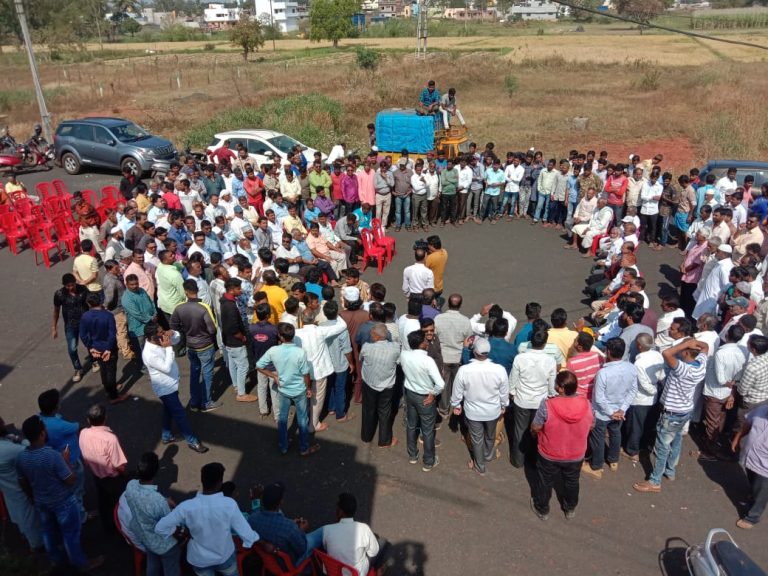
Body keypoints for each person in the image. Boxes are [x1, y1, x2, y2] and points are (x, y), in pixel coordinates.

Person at [16, 415, 102, 571]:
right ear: (42, 434)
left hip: (41, 502)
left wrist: (32, 496)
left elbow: (22, 481)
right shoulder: (53, 456)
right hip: (63, 502)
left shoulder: (22, 457)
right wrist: (66, 460)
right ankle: (81, 563)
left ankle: (56, 560)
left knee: (48, 533)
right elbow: (70, 480)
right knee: (71, 535)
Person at [155, 462, 260, 576]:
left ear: (202, 480)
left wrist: (181, 531)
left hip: (199, 560)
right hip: (225, 556)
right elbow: (248, 535)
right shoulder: (229, 504)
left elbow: (160, 527)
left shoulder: (186, 507)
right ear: (220, 483)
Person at [634, 335, 709, 493]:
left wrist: (687, 343)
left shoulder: (683, 369)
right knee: (677, 440)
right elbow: (706, 347)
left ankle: (655, 481)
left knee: (662, 447)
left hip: (672, 413)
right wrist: (693, 344)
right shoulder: (701, 364)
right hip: (685, 410)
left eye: (683, 349)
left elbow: (667, 353)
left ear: (687, 352)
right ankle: (670, 470)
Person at [530, 370, 594, 521]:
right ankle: (570, 508)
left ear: (560, 388)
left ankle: (542, 508)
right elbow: (591, 425)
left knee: (545, 481)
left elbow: (536, 426)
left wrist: (535, 433)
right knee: (572, 481)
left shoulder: (548, 404)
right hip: (576, 454)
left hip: (549, 453)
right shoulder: (587, 404)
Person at [142, 322, 209, 453]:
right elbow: (166, 367)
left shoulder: (161, 338)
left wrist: (173, 333)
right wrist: (168, 348)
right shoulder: (149, 354)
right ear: (152, 337)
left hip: (172, 383)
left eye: (162, 331)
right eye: (161, 332)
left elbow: (177, 339)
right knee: (180, 414)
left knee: (168, 410)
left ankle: (166, 436)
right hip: (165, 388)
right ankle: (192, 441)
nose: (163, 334)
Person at [256, 323, 320, 456]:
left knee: (282, 418)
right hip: (299, 390)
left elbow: (259, 366)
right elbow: (305, 374)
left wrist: (273, 375)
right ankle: (304, 448)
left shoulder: (273, 351)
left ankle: (284, 446)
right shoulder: (300, 352)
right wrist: (308, 388)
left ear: (280, 336)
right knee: (303, 419)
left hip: (283, 390)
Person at [451, 338, 509, 474]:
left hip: (473, 412)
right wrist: (503, 405)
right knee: (490, 435)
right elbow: (504, 391)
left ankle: (480, 466)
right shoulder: (499, 370)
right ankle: (488, 454)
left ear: (474, 352)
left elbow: (457, 391)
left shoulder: (464, 370)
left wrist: (456, 405)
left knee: (477, 440)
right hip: (492, 411)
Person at [583, 338, 638, 479]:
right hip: (620, 412)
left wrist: (611, 412)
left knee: (598, 438)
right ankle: (613, 460)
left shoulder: (603, 373)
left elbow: (599, 398)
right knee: (615, 433)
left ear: (607, 352)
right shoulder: (631, 368)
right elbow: (633, 391)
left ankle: (596, 465)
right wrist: (621, 410)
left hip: (603, 413)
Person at [122, 452, 182, 576]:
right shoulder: (158, 501)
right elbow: (170, 529)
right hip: (163, 544)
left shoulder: (130, 485)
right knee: (171, 564)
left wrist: (165, 501)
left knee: (152, 561)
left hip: (142, 534)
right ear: (155, 473)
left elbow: (142, 502)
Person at [508, 329, 557, 468]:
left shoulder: (520, 358)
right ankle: (534, 460)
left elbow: (513, 380)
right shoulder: (550, 361)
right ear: (545, 343)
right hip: (540, 402)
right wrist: (550, 397)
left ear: (531, 342)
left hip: (521, 400)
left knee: (520, 431)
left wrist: (512, 393)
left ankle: (518, 461)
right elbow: (552, 387)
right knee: (538, 431)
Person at [170, 280, 221, 411]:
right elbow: (213, 329)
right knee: (207, 373)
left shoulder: (179, 307)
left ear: (185, 291)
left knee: (194, 372)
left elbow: (174, 326)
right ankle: (207, 402)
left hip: (190, 346)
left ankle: (194, 402)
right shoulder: (204, 307)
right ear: (197, 290)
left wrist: (185, 333)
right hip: (205, 345)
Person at [699, 324, 747, 459]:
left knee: (712, 423)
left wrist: (728, 383)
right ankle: (714, 443)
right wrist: (732, 390)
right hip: (728, 393)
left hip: (714, 392)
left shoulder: (721, 353)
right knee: (720, 419)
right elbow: (738, 377)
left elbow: (721, 379)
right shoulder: (742, 352)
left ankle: (710, 451)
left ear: (727, 336)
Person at [78, 404, 128, 534]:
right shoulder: (110, 439)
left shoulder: (83, 433)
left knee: (103, 501)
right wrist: (124, 474)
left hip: (96, 475)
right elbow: (119, 465)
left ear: (89, 420)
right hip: (112, 478)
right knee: (121, 502)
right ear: (105, 418)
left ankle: (108, 526)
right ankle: (123, 527)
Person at [401, 330, 445, 472]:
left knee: (411, 425)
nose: (427, 342)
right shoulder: (427, 361)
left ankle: (413, 455)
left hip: (410, 394)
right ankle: (428, 461)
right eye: (425, 340)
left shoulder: (404, 355)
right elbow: (441, 384)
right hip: (425, 397)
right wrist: (433, 393)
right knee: (427, 430)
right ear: (421, 344)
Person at [0, 417, 42, 551]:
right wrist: (20, 439)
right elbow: (31, 448)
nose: (4, 423)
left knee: (18, 514)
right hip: (21, 489)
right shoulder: (8, 450)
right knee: (30, 519)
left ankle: (29, 537)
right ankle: (38, 546)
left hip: (7, 488)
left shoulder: (5, 444)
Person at [322, 493, 388, 576]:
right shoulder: (364, 528)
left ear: (340, 512)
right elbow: (373, 552)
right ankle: (377, 572)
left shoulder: (327, 529)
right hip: (356, 573)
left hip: (332, 572)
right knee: (382, 542)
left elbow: (325, 547)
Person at [80, 292, 129, 404]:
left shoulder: (85, 316)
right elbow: (112, 334)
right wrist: (108, 349)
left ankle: (108, 389)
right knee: (111, 371)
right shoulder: (108, 315)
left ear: (88, 303)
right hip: (109, 347)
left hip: (96, 348)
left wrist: (91, 348)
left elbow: (83, 335)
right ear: (100, 302)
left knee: (103, 368)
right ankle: (113, 396)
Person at [247, 483, 311, 566]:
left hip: (267, 561)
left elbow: (255, 511)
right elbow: (302, 549)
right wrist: (301, 531)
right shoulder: (290, 527)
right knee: (321, 533)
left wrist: (255, 499)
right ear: (281, 501)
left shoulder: (252, 519)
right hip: (285, 563)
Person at [623, 333, 664, 462]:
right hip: (654, 398)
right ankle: (645, 446)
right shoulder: (658, 355)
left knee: (636, 426)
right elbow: (662, 375)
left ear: (639, 345)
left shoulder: (639, 363)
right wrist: (656, 390)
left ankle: (632, 450)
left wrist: (653, 390)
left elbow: (643, 383)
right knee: (648, 424)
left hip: (640, 399)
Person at [360, 323, 401, 448]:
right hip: (387, 385)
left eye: (372, 333)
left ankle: (366, 436)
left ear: (377, 336)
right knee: (385, 412)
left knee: (368, 410)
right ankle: (384, 440)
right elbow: (398, 362)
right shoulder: (395, 348)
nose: (370, 335)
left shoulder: (366, 347)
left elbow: (361, 358)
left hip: (369, 383)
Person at [219, 278, 258, 402]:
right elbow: (233, 327)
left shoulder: (225, 300)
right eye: (238, 288)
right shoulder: (230, 306)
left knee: (233, 363)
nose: (240, 290)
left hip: (228, 340)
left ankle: (236, 385)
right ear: (231, 290)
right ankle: (241, 394)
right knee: (243, 366)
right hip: (235, 341)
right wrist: (242, 336)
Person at [731, 402, 768, 529]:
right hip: (750, 459)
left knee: (762, 491)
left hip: (765, 468)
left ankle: (752, 517)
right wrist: (736, 439)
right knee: (753, 481)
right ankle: (753, 493)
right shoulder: (761, 410)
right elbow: (747, 425)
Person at [52, 273, 89, 383]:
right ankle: (77, 368)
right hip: (70, 324)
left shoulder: (83, 289)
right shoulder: (59, 294)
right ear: (64, 285)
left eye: (72, 285)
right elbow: (56, 311)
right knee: (72, 348)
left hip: (85, 322)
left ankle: (94, 360)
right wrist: (54, 327)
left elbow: (92, 302)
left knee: (89, 343)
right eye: (68, 286)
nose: (71, 288)